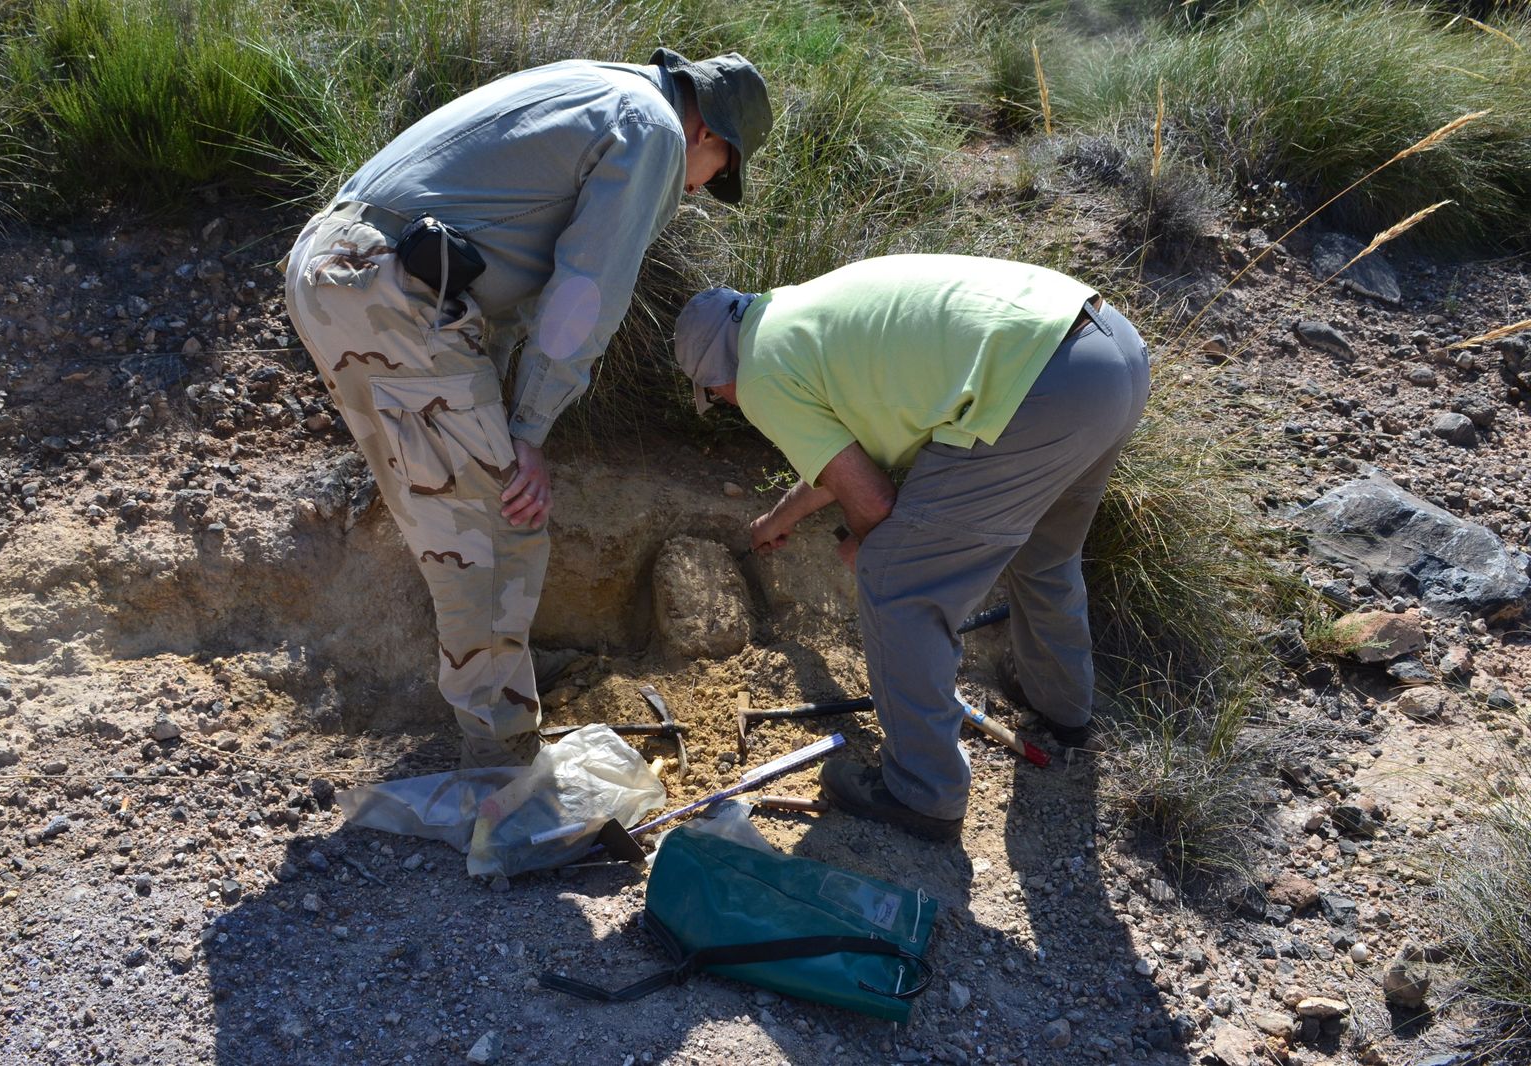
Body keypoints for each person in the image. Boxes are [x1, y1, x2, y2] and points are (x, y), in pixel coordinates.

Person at [284, 51, 772, 768]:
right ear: (709, 133)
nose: (699, 193)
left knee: (461, 506)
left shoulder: (596, 86)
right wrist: (531, 430)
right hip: (391, 293)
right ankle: (502, 758)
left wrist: (510, 415)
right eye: (719, 174)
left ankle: (495, 684)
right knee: (496, 522)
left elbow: (501, 279)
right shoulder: (654, 129)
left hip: (342, 271)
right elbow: (585, 296)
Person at [673, 255, 1151, 840]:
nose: (727, 402)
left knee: (897, 583)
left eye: (717, 395)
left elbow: (871, 502)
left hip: (1039, 390)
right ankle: (1063, 711)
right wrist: (781, 515)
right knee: (1045, 555)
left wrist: (871, 547)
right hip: (1109, 354)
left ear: (718, 373)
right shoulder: (796, 313)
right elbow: (847, 461)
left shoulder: (763, 373)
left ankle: (923, 793)